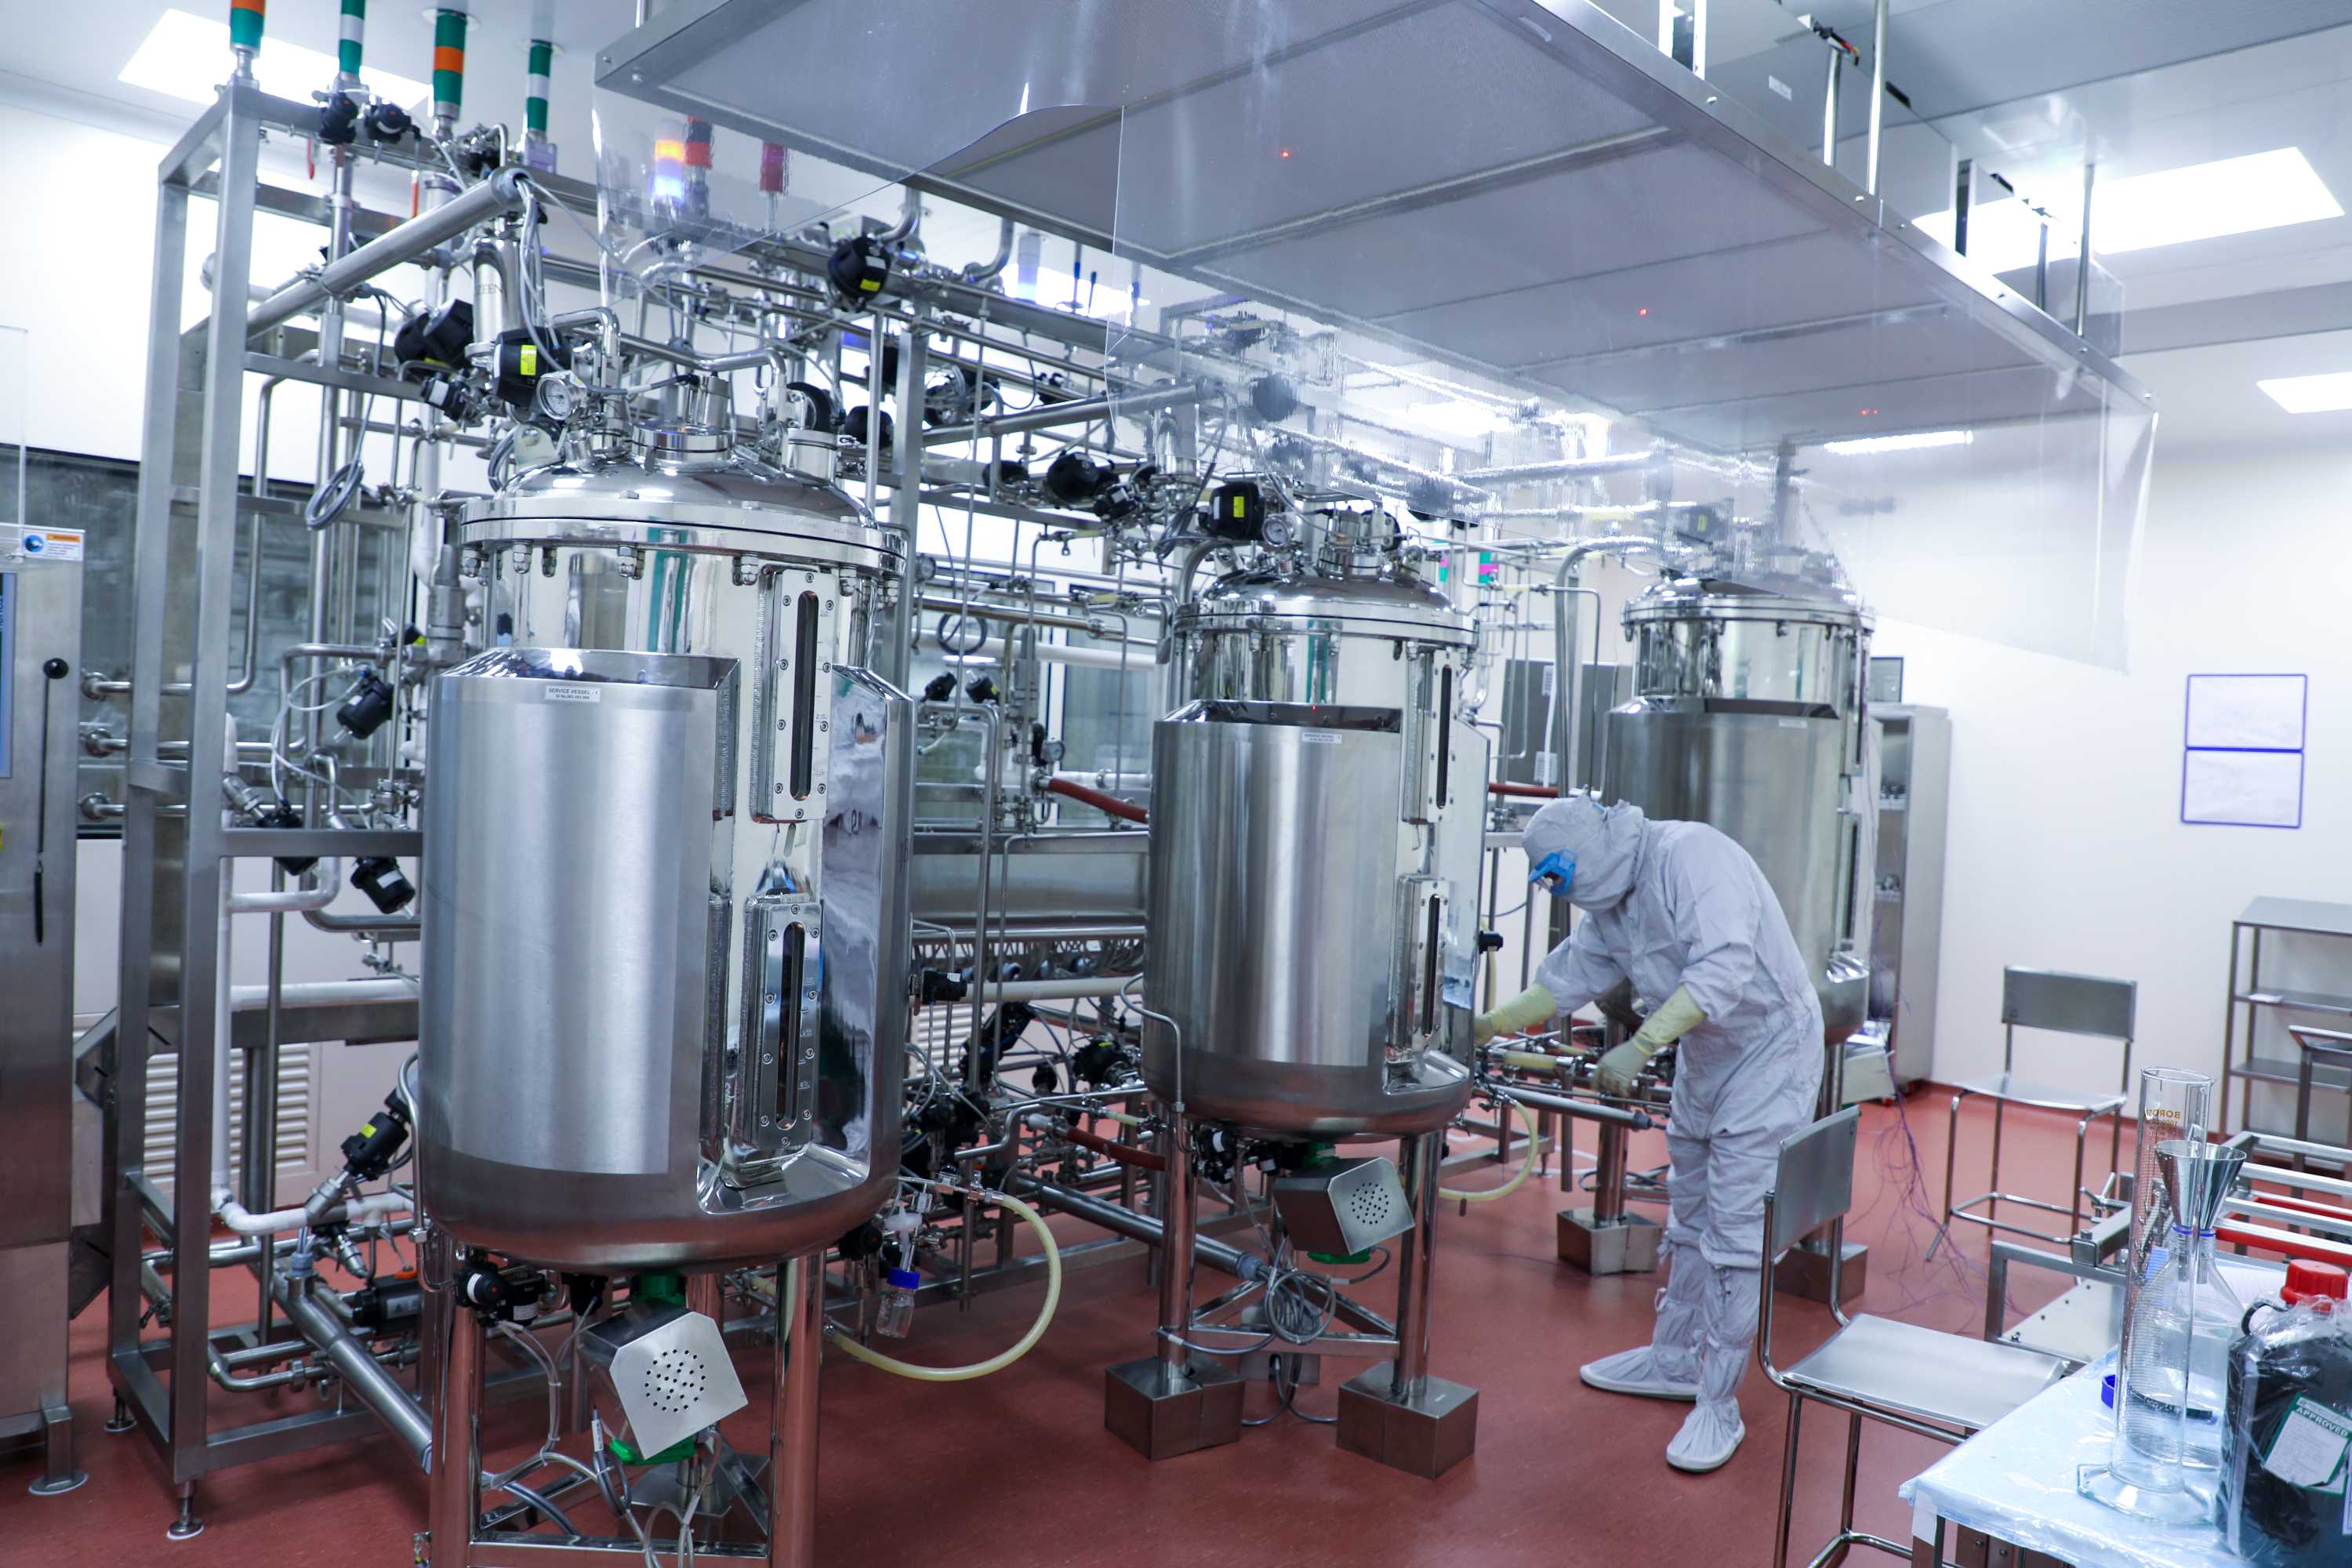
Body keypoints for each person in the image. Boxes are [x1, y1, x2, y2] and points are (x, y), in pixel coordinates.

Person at [1475, 795, 1822, 1472]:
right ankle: (1671, 1359)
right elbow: (1570, 978)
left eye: (1558, 874)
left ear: (1589, 850)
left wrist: (1641, 1045)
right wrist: (1492, 1023)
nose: (1560, 890)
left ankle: (1717, 1400)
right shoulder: (1613, 899)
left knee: (1736, 1227)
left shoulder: (1691, 855)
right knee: (1688, 1208)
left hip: (1771, 1049)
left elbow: (1724, 968)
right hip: (1709, 1050)